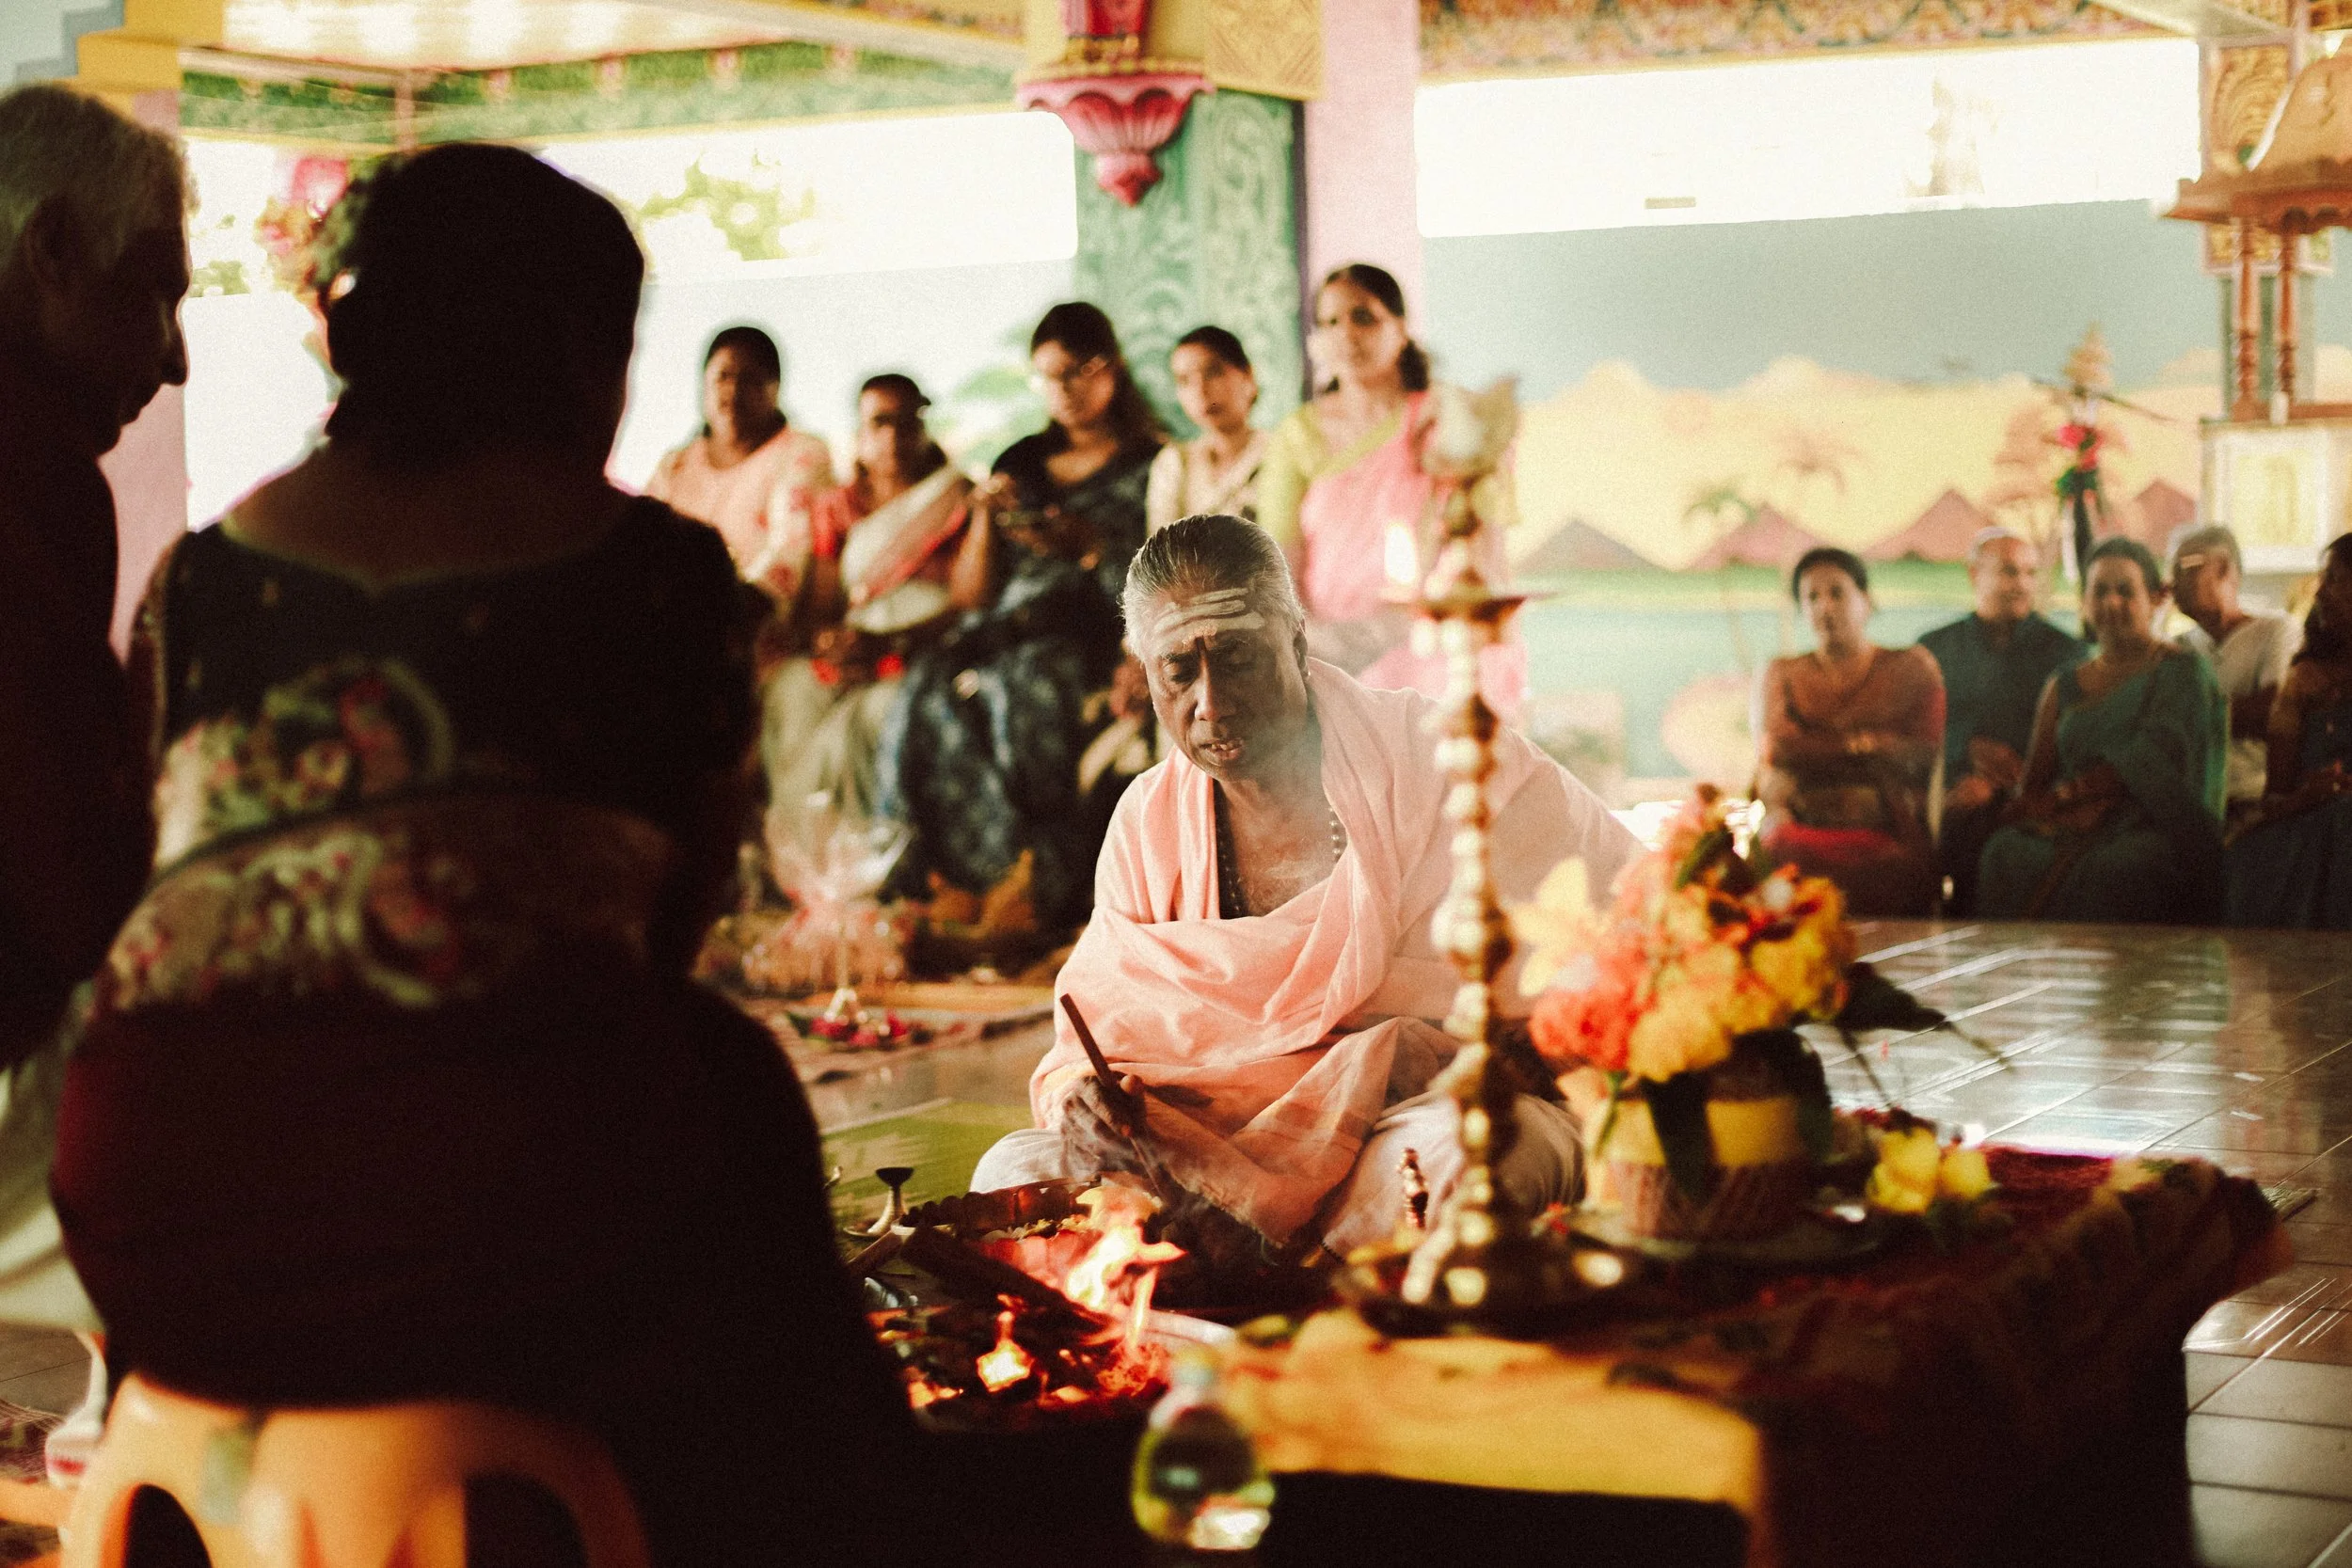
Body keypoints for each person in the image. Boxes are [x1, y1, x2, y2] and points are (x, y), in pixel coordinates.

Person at [49, 145, 919, 1565]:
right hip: (487, 1227)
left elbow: (177, 862)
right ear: (576, 349)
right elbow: (668, 923)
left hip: (155, 1210)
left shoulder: (205, 576)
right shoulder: (654, 573)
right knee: (732, 1101)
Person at [969, 515, 1637, 1256]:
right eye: (1179, 671)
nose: (1212, 703)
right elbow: (1088, 1043)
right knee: (1014, 1171)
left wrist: (1414, 1065)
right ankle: (1237, 1277)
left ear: (1295, 642)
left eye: (1238, 659)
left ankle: (1284, 1278)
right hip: (1202, 1155)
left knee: (1476, 1157)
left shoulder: (1440, 759)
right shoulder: (1146, 824)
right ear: (1144, 675)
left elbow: (1622, 934)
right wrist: (1089, 1107)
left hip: (1408, 1126)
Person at [878, 302, 1162, 932]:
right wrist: (985, 515)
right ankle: (936, 879)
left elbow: (1157, 575)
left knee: (1019, 687)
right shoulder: (1022, 460)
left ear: (1110, 369)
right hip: (1001, 626)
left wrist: (1089, 548)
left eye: (1077, 372)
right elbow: (974, 594)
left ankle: (1034, 877)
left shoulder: (1151, 463)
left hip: (1088, 630)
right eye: (1048, 376)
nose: (1064, 390)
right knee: (925, 683)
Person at [1255, 262, 1523, 717]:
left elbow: (1485, 543)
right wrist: (1319, 646)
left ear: (1400, 328)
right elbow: (1280, 563)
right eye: (1330, 322)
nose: (1347, 334)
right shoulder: (1297, 434)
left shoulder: (1447, 419)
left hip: (1437, 647)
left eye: (1364, 317)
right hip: (1332, 656)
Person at [761, 373, 979, 830]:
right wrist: (831, 642)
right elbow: (823, 604)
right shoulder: (837, 507)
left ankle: (867, 857)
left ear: (924, 429)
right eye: (879, 423)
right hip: (854, 648)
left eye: (907, 423)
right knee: (792, 689)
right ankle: (802, 851)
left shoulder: (956, 500)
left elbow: (967, 603)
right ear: (859, 435)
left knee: (871, 717)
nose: (894, 437)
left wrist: (892, 642)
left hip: (921, 650)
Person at [1979, 538, 2227, 924]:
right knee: (2004, 853)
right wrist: (2049, 809)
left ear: (2155, 599)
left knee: (2122, 867)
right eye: (2100, 591)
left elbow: (2159, 760)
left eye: (2126, 591)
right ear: (2085, 603)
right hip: (2071, 821)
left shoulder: (2183, 672)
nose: (2111, 603)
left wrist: (2074, 795)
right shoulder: (2065, 684)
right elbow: (2034, 783)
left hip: (2151, 826)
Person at [1754, 548, 1946, 917]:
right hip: (1801, 818)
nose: (1825, 607)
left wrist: (1820, 749)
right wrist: (1869, 745)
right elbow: (1780, 748)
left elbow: (1922, 754)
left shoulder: (1909, 667)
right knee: (1776, 847)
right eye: (1812, 597)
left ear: (1866, 601)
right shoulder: (1784, 673)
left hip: (1886, 821)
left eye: (1837, 593)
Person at [1918, 530, 2085, 915]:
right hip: (1951, 785)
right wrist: (1966, 749)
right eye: (2010, 572)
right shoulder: (1933, 649)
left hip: (2035, 789)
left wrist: (1996, 785)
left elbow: (2071, 735)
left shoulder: (2064, 652)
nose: (2022, 584)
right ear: (1974, 574)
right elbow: (1921, 726)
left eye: (2031, 573)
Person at [643, 324, 834, 595]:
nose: (733, 391)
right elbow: (642, 543)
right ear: (704, 384)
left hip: (749, 623)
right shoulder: (675, 465)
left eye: (750, 380)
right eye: (723, 377)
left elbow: (790, 552)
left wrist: (734, 612)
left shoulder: (803, 454)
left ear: (775, 389)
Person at [2227, 534, 2352, 927]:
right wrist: (2310, 793)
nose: (2321, 591)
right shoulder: (2302, 682)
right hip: (2310, 819)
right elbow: (2275, 797)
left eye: (2334, 579)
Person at [2173, 524, 2299, 820]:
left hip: (2254, 800)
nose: (2173, 581)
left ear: (2224, 569)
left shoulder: (2275, 630)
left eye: (2186, 567)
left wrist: (2186, 715)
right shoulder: (2176, 648)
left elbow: (2273, 712)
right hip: (2187, 805)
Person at [1145, 325, 1267, 534]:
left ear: (1247, 374)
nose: (1200, 391)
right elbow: (1159, 553)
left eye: (1213, 372)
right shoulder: (1174, 463)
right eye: (1184, 380)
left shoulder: (1279, 452)